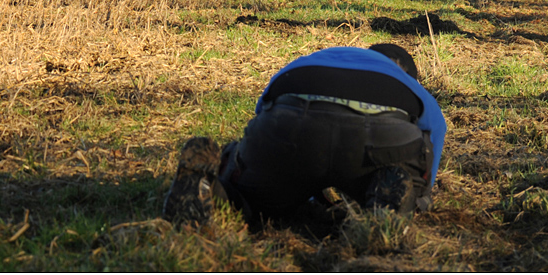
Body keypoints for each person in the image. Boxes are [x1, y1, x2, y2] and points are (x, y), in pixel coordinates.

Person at [163, 43, 446, 227]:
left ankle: (208, 186)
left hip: (287, 125)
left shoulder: (312, 59)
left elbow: (262, 112)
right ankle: (389, 200)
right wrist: (422, 193)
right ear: (409, 73)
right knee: (403, 170)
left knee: (254, 204)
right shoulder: (405, 81)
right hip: (375, 141)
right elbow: (436, 130)